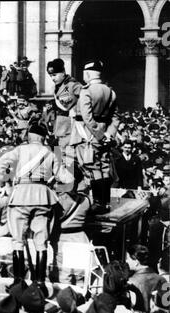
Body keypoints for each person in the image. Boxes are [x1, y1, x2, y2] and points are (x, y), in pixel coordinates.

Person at [0, 122, 73, 291]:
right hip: (42, 197)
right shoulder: (50, 153)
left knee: (18, 241)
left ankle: (18, 281)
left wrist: (4, 180)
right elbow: (66, 178)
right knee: (41, 241)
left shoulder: (19, 150)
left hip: (20, 196)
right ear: (43, 137)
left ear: (30, 136)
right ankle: (40, 283)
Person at [71, 60, 120, 214]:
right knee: (104, 167)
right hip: (105, 135)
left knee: (91, 169)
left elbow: (87, 117)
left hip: (88, 136)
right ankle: (105, 203)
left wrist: (98, 135)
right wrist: (108, 134)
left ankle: (98, 204)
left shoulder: (87, 91)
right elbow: (116, 117)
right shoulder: (111, 92)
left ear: (87, 74)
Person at [46, 58, 82, 166]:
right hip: (61, 126)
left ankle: (68, 180)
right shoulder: (60, 86)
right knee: (60, 156)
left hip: (70, 126)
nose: (52, 78)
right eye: (51, 75)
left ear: (63, 72)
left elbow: (67, 105)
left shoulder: (72, 85)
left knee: (68, 157)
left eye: (55, 75)